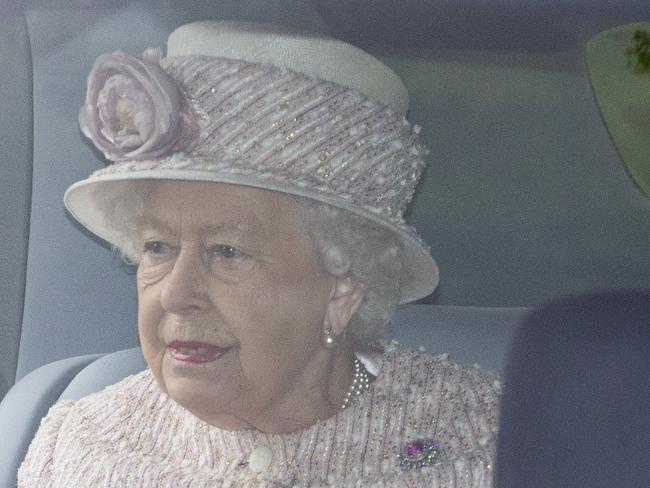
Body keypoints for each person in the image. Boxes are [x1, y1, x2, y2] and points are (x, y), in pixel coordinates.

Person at [18, 21, 500, 487]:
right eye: (158, 248)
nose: (176, 294)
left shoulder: (481, 437)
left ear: (343, 290)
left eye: (227, 252)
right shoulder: (79, 444)